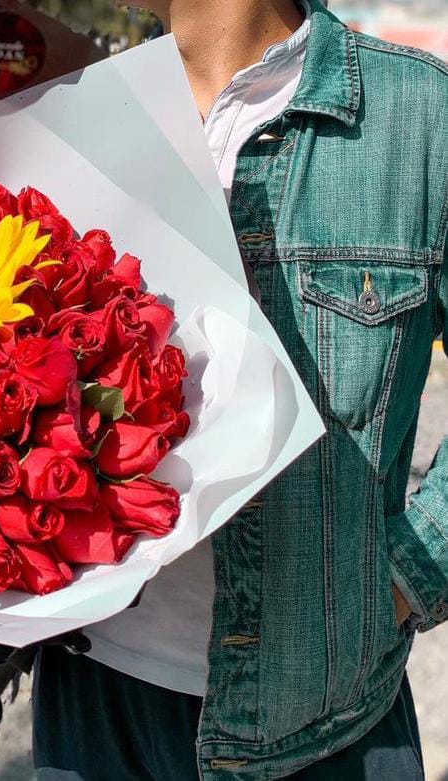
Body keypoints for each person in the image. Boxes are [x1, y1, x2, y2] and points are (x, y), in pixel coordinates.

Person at [33, 1, 448, 779]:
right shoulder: (80, 109)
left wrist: (402, 580)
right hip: (92, 695)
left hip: (325, 723)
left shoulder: (420, 118)